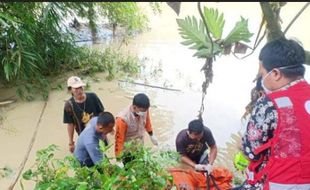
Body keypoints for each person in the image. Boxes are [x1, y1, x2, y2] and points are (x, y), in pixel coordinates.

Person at [241, 38, 310, 190]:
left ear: (276, 74)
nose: (261, 77)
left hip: (280, 183)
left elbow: (251, 153)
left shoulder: (269, 104)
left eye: (262, 72)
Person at [114, 93, 159, 165]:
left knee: (140, 165)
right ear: (134, 107)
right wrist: (119, 159)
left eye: (146, 111)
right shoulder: (122, 119)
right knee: (128, 168)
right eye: (143, 111)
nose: (144, 113)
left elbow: (147, 122)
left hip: (139, 145)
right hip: (128, 150)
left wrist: (151, 135)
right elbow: (119, 141)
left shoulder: (144, 110)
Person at [63, 76, 104, 153]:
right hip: (84, 135)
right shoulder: (69, 105)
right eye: (76, 88)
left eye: (80, 87)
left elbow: (101, 113)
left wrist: (107, 130)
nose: (79, 90)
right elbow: (70, 124)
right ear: (70, 89)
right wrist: (71, 143)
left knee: (103, 150)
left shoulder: (93, 97)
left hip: (99, 132)